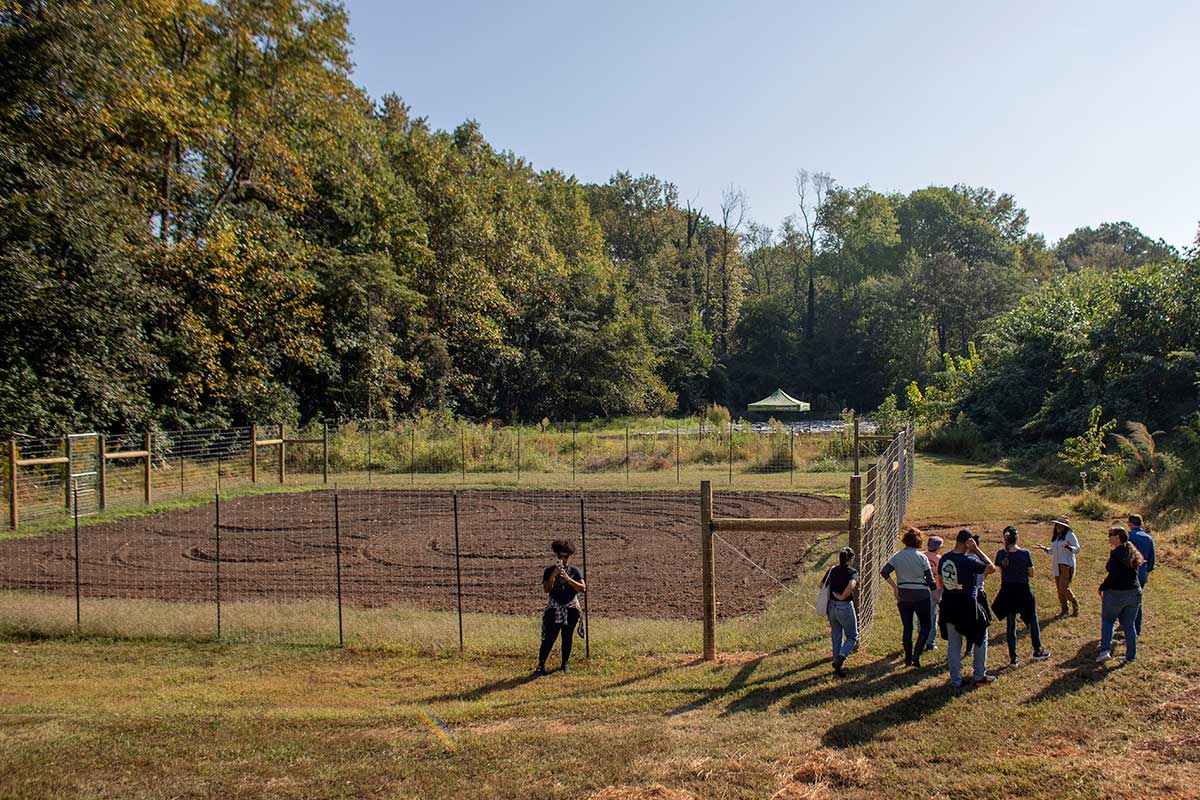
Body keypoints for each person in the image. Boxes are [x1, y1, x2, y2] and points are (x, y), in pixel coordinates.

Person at [938, 529, 997, 688]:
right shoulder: (967, 560)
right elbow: (991, 568)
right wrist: (977, 550)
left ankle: (956, 680)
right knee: (980, 637)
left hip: (949, 604)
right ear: (967, 543)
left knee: (954, 643)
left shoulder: (944, 558)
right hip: (967, 605)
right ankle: (979, 676)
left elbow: (941, 580)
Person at [990, 526, 1051, 666]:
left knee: (1010, 625)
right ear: (1017, 538)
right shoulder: (1025, 554)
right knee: (1032, 620)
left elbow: (1002, 571)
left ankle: (1013, 658)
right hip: (1023, 590)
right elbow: (1031, 573)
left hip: (1007, 590)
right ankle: (1037, 650)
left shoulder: (1000, 554)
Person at [881, 528, 937, 668]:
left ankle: (907, 658)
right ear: (918, 541)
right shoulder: (922, 557)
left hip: (904, 595)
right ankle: (916, 656)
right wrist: (937, 592)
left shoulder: (897, 556)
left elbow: (884, 572)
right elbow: (930, 581)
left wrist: (895, 587)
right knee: (926, 626)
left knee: (907, 627)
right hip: (921, 595)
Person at [536, 539, 586, 675]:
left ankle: (565, 663)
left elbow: (583, 588)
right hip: (554, 607)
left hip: (570, 608)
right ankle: (541, 665)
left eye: (566, 557)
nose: (563, 560)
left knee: (567, 636)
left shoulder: (574, 571)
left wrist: (568, 579)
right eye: (560, 557)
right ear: (556, 556)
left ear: (570, 557)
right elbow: (546, 589)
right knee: (549, 637)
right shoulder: (549, 571)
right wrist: (554, 575)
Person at [1097, 526, 1144, 664]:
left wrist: (1103, 587)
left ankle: (1105, 651)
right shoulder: (1131, 552)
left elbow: (1114, 575)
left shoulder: (1116, 554)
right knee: (1129, 625)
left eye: (1110, 534)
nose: (1108, 537)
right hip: (1134, 593)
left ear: (1117, 537)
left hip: (1116, 594)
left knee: (1108, 621)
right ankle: (1131, 656)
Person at [825, 547, 859, 677]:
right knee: (852, 636)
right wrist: (843, 597)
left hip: (831, 607)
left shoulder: (832, 570)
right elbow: (852, 585)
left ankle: (836, 661)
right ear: (851, 558)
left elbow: (822, 585)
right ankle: (841, 658)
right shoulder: (852, 572)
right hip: (844, 607)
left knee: (836, 635)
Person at [1038, 517, 1080, 617]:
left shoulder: (1070, 535)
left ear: (1065, 527)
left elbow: (1077, 549)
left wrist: (1069, 547)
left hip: (1066, 565)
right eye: (1057, 525)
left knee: (1063, 588)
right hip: (1056, 564)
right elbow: (1053, 550)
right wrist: (1044, 548)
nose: (1058, 527)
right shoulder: (1056, 537)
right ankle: (1064, 610)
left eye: (1061, 525)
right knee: (1059, 589)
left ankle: (1075, 604)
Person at [1127, 514, 1155, 635]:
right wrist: (1147, 572)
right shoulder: (1148, 538)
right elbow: (1152, 559)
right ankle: (1137, 628)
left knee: (1125, 600)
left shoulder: (1129, 536)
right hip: (1142, 573)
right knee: (1138, 601)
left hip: (1129, 573)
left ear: (1131, 524)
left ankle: (1129, 625)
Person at [925, 536, 944, 651]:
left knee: (922, 615)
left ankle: (922, 637)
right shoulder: (940, 559)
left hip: (922, 588)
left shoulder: (922, 556)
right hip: (935, 589)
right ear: (938, 548)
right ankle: (930, 642)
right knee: (933, 615)